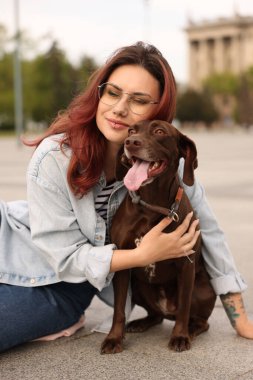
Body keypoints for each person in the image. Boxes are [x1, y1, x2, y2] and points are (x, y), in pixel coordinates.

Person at [0, 42, 252, 353]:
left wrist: (238, 317)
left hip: (59, 285)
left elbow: (208, 231)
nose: (119, 108)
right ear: (99, 95)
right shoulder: (55, 157)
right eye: (112, 93)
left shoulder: (165, 164)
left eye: (138, 100)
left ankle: (59, 318)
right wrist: (140, 256)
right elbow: (63, 255)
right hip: (17, 252)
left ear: (157, 112)